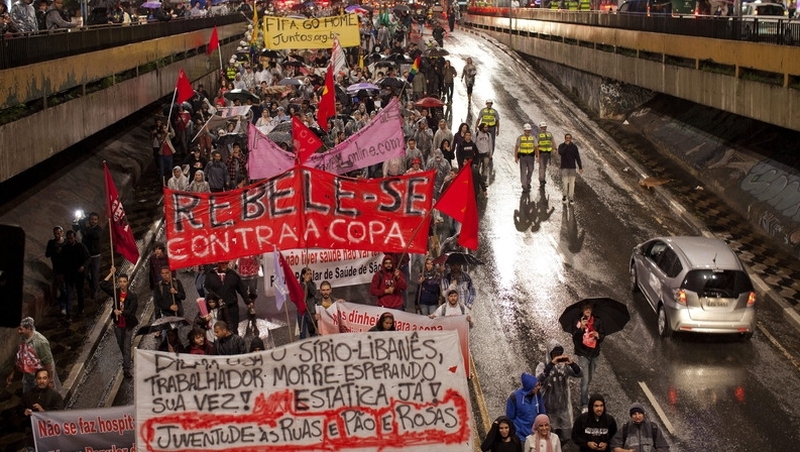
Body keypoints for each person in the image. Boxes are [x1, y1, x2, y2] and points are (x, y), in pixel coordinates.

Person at [535, 340, 582, 444]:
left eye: (559, 353)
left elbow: (580, 374)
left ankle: (558, 447)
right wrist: (551, 364)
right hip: (548, 408)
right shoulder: (543, 366)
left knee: (566, 436)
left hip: (563, 407)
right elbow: (538, 380)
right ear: (550, 353)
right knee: (548, 436)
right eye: (555, 354)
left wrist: (572, 364)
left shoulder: (565, 366)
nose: (557, 356)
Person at [100, 267, 138, 378]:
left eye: (124, 281)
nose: (122, 284)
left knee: (126, 347)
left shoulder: (132, 296)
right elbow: (103, 285)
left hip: (128, 325)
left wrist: (121, 312)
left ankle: (126, 369)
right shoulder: (116, 293)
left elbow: (131, 311)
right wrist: (111, 273)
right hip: (118, 324)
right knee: (121, 345)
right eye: (120, 282)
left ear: (128, 282)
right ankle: (126, 360)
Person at [6, 317, 60, 393]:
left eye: (21, 329)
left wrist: (50, 380)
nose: (19, 332)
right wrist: (12, 374)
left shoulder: (40, 342)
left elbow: (48, 363)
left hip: (39, 378)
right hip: (29, 377)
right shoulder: (23, 338)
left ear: (28, 328)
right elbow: (20, 357)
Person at [572, 301, 605, 409]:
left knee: (589, 377)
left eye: (589, 308)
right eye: (586, 308)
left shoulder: (597, 321)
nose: (588, 310)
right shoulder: (577, 321)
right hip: (583, 353)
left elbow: (602, 335)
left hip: (594, 353)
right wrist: (581, 328)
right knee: (585, 379)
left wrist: (598, 335)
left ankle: (585, 392)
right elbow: (575, 338)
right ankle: (584, 404)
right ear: (582, 310)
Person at [204, 261, 248, 331]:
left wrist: (248, 301)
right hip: (218, 308)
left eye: (226, 263)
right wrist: (216, 298)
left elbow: (241, 289)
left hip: (231, 306)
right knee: (220, 329)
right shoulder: (210, 275)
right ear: (218, 263)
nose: (224, 265)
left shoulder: (233, 274)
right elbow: (207, 289)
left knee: (233, 328)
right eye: (222, 263)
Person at [506, 372, 546, 442]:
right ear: (529, 387)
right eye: (536, 386)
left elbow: (542, 414)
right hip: (520, 437)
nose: (538, 387)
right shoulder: (514, 397)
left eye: (538, 385)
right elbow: (510, 418)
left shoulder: (538, 396)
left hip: (536, 435)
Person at [61, 229, 90, 320]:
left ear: (74, 238)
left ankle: (81, 309)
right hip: (69, 275)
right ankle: (69, 313)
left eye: (71, 238)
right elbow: (62, 262)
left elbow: (88, 258)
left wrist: (83, 266)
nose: (70, 240)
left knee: (80, 292)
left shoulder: (81, 247)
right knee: (69, 294)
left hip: (79, 275)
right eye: (68, 239)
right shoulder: (65, 248)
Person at [77, 212, 102, 298]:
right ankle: (92, 287)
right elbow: (83, 237)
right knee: (86, 274)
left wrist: (84, 229)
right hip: (87, 256)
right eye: (91, 219)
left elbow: (94, 235)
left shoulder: (98, 230)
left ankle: (95, 290)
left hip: (95, 256)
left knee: (94, 274)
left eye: (95, 220)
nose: (93, 221)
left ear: (97, 220)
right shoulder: (87, 229)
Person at [558, 133, 583, 205]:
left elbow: (577, 157)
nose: (568, 139)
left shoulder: (574, 147)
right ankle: (564, 196)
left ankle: (571, 198)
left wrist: (580, 167)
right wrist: (566, 146)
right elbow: (561, 152)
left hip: (572, 168)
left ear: (571, 139)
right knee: (565, 183)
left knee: (572, 184)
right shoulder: (561, 146)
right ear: (565, 138)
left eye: (569, 138)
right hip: (564, 167)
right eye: (567, 138)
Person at [514, 123, 536, 192]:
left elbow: (536, 147)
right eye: (527, 130)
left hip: (531, 157)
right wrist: (516, 157)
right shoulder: (520, 138)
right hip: (523, 157)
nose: (528, 131)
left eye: (529, 130)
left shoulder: (533, 138)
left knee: (531, 170)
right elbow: (516, 147)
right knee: (523, 171)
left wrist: (537, 156)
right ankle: (524, 185)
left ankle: (528, 182)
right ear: (524, 130)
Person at [299, 267, 317, 339]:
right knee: (302, 331)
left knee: (312, 329)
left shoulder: (313, 284)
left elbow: (313, 292)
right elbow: (301, 297)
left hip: (311, 310)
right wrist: (304, 285)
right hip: (302, 310)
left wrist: (308, 283)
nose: (309, 276)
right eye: (307, 274)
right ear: (303, 275)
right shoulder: (300, 285)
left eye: (310, 274)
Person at [535, 122, 554, 187]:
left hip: (547, 153)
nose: (543, 128)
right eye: (542, 127)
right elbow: (536, 146)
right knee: (542, 167)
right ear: (540, 128)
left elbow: (552, 141)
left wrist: (555, 148)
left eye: (544, 127)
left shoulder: (549, 134)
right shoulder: (538, 135)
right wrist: (537, 155)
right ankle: (541, 180)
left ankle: (542, 178)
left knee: (544, 167)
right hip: (541, 153)